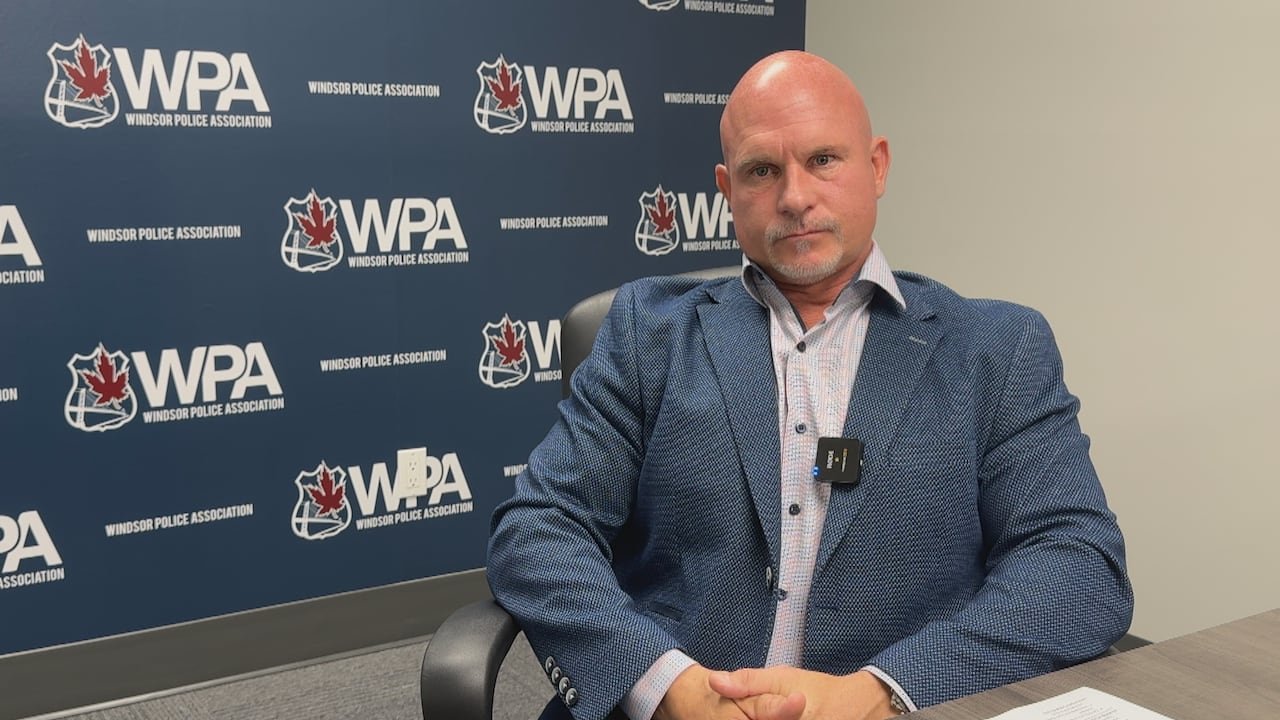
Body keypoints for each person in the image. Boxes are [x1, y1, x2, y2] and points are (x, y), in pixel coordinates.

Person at [488, 50, 1133, 720]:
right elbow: (540, 529)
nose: (795, 197)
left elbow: (1078, 562)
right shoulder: (647, 334)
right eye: (762, 170)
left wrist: (882, 692)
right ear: (727, 187)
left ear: (876, 166)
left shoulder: (997, 349)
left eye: (823, 159)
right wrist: (670, 687)